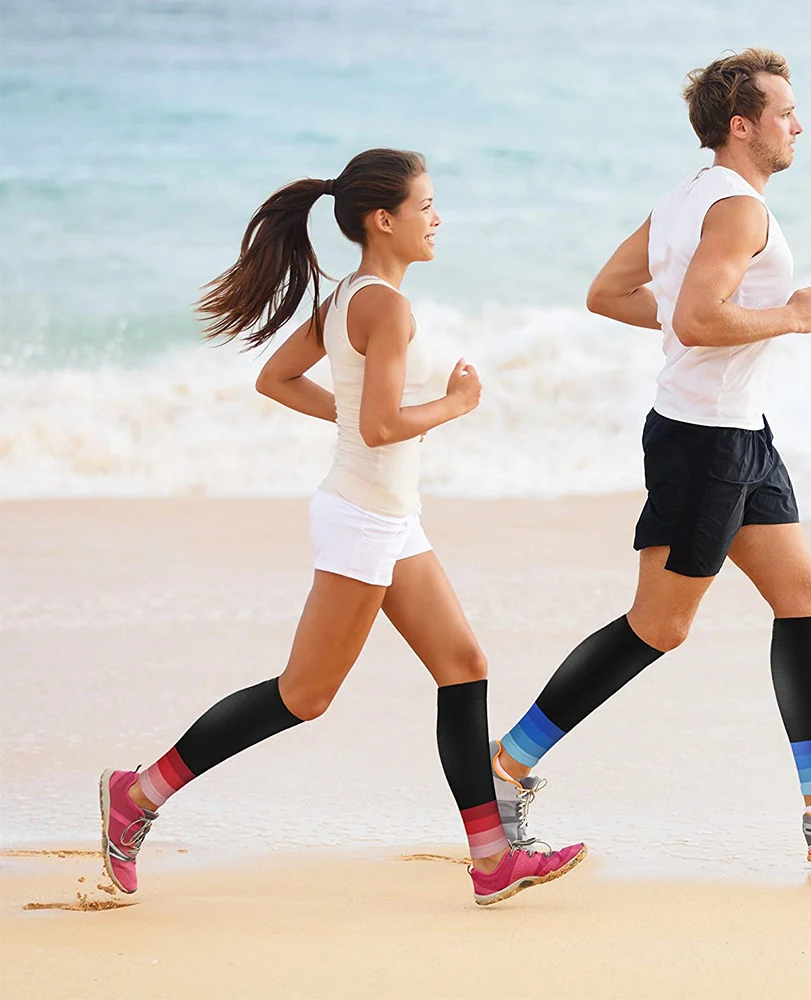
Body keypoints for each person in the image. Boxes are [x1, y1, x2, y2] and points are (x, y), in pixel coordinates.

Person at [99, 148, 586, 906]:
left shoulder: (352, 296)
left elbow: (282, 380)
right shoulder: (383, 305)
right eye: (425, 206)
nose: (437, 219)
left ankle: (492, 858)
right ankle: (140, 793)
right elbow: (383, 421)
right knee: (305, 694)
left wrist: (362, 427)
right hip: (364, 516)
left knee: (463, 664)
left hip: (388, 514)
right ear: (382, 220)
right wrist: (453, 407)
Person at [489, 51, 811, 863]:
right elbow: (696, 320)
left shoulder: (685, 198)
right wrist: (791, 317)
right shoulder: (736, 210)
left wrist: (702, 321)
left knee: (804, 594)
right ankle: (505, 770)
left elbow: (610, 293)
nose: (798, 124)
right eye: (785, 112)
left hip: (738, 432)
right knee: (656, 628)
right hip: (706, 441)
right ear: (742, 124)